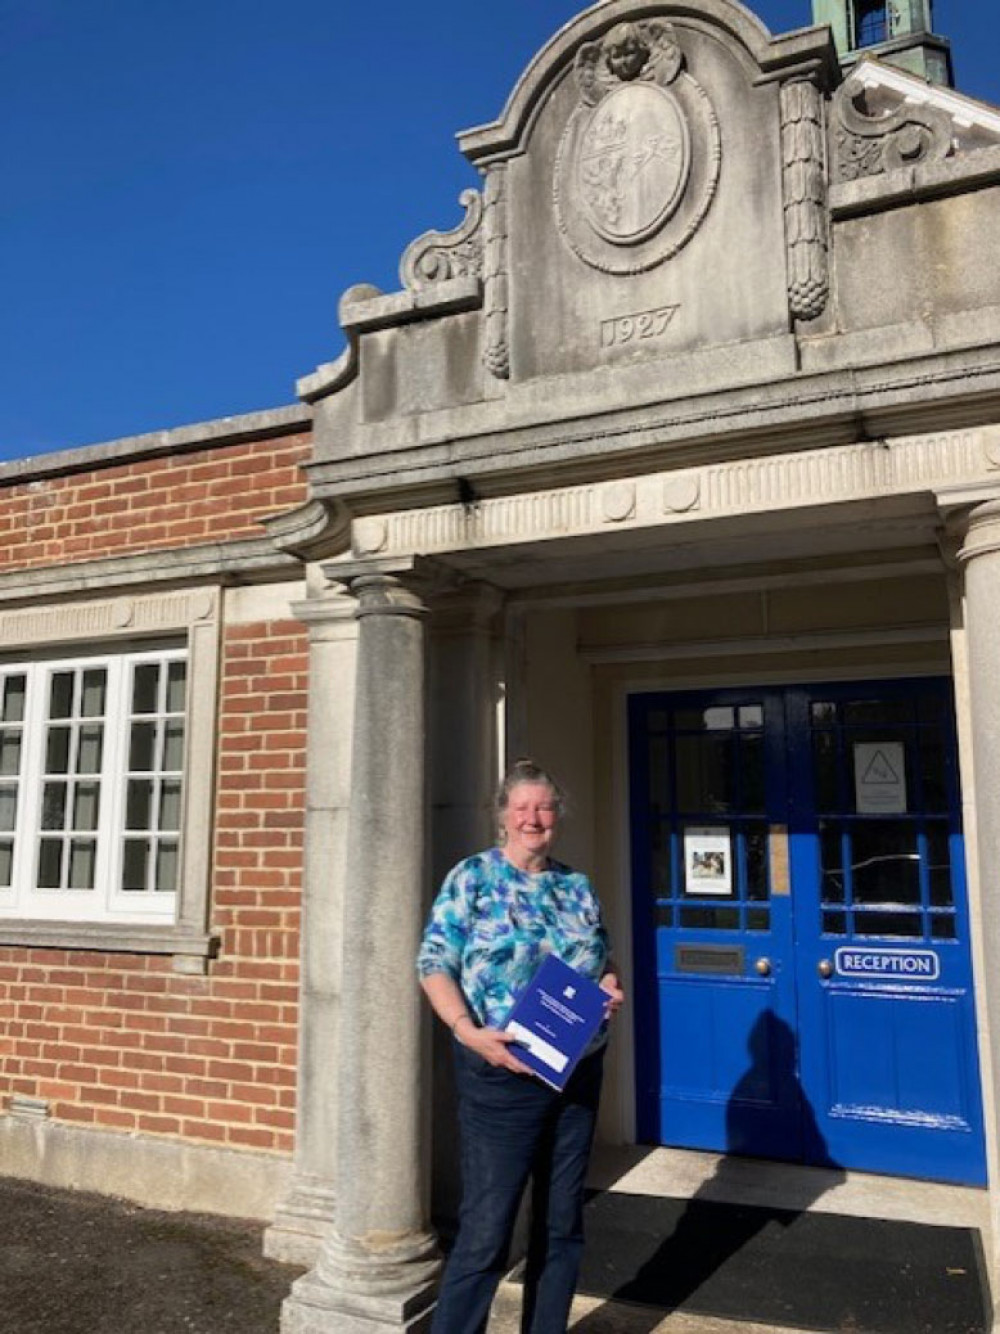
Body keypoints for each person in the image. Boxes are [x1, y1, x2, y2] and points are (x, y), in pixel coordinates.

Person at [417, 758, 625, 1334]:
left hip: (577, 1072)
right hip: (501, 1073)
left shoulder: (576, 886)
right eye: (523, 807)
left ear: (558, 816)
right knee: (486, 1232)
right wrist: (465, 1029)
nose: (534, 817)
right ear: (503, 817)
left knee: (562, 1226)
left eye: (545, 807)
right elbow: (434, 962)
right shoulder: (473, 878)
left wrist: (608, 985)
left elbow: (602, 961)